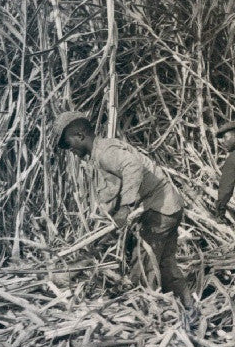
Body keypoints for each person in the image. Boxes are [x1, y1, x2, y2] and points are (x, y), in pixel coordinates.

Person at [53, 111, 192, 307]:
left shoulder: (105, 152)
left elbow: (132, 166)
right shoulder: (98, 156)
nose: (69, 150)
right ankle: (188, 306)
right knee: (165, 263)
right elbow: (112, 192)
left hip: (160, 208)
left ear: (80, 135)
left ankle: (147, 313)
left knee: (143, 264)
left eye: (68, 144)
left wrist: (126, 207)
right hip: (166, 207)